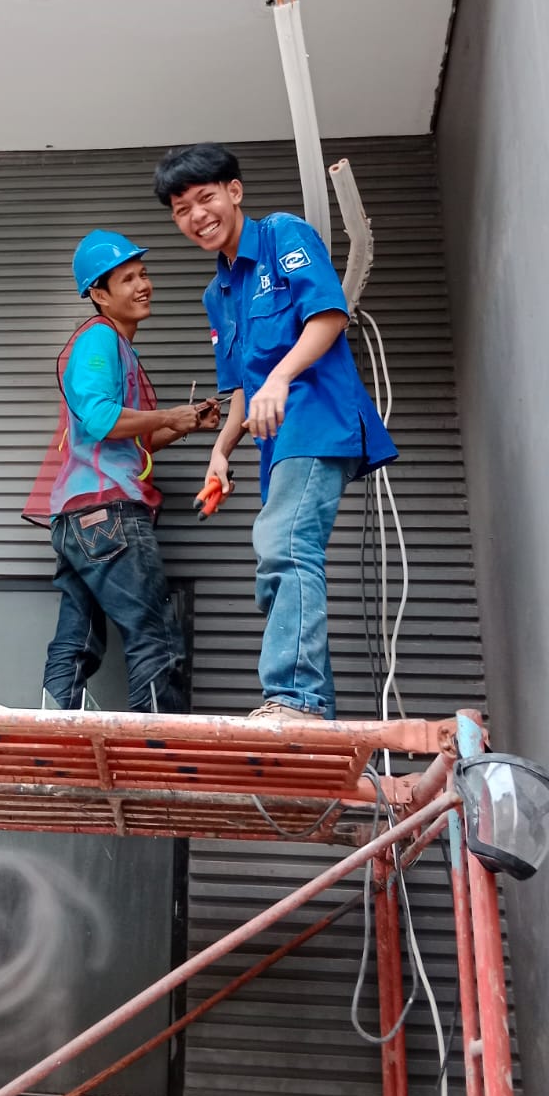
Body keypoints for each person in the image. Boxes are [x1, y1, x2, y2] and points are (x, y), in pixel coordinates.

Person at [153, 144, 396, 722]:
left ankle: (296, 698)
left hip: (319, 418)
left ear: (234, 191)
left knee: (284, 546)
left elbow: (328, 315)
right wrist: (220, 451)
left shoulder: (283, 234)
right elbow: (242, 386)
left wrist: (282, 377)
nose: (197, 216)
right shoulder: (217, 294)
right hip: (276, 443)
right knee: (279, 558)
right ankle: (311, 710)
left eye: (206, 198)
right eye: (182, 209)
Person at [23, 229, 219, 714]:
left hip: (79, 517)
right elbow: (100, 418)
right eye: (127, 279)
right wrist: (168, 415)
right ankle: (156, 747)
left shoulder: (117, 347)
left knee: (78, 638)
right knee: (156, 637)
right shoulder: (99, 338)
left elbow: (128, 438)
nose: (142, 285)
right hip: (107, 512)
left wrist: (184, 423)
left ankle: (52, 736)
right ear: (99, 293)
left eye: (143, 274)